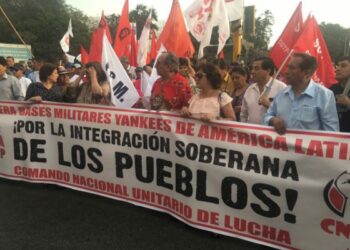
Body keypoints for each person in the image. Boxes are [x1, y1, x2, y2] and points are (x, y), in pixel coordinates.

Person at [264, 53, 339, 134]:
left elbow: (332, 133)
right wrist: (272, 120)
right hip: (281, 146)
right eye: (287, 67)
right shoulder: (281, 94)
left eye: (292, 68)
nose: (286, 72)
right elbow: (266, 117)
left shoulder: (325, 96)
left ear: (307, 73)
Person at [240, 57, 286, 125]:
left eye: (256, 68)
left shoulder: (282, 88)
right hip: (251, 133)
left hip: (271, 134)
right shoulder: (250, 89)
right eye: (252, 68)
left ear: (268, 70)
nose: (252, 72)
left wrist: (270, 105)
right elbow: (244, 114)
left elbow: (287, 115)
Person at [330, 56, 350, 132]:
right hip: (335, 138)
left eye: (343, 66)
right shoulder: (332, 89)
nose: (337, 69)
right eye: (337, 66)